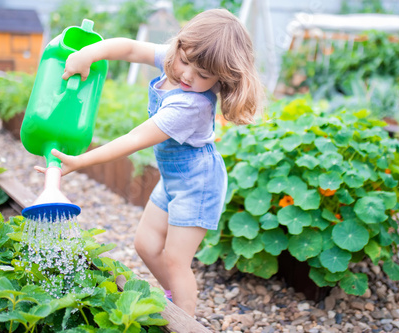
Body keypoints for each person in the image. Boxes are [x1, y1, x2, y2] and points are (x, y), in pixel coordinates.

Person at [35, 8, 265, 317]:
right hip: (173, 179)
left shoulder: (190, 105)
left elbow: (133, 140)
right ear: (181, 46)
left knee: (176, 259)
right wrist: (89, 53)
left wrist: (79, 161)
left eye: (203, 76)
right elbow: (129, 48)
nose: (187, 75)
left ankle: (184, 319)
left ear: (220, 79)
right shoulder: (176, 61)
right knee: (145, 245)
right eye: (185, 62)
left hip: (198, 184)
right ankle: (174, 299)